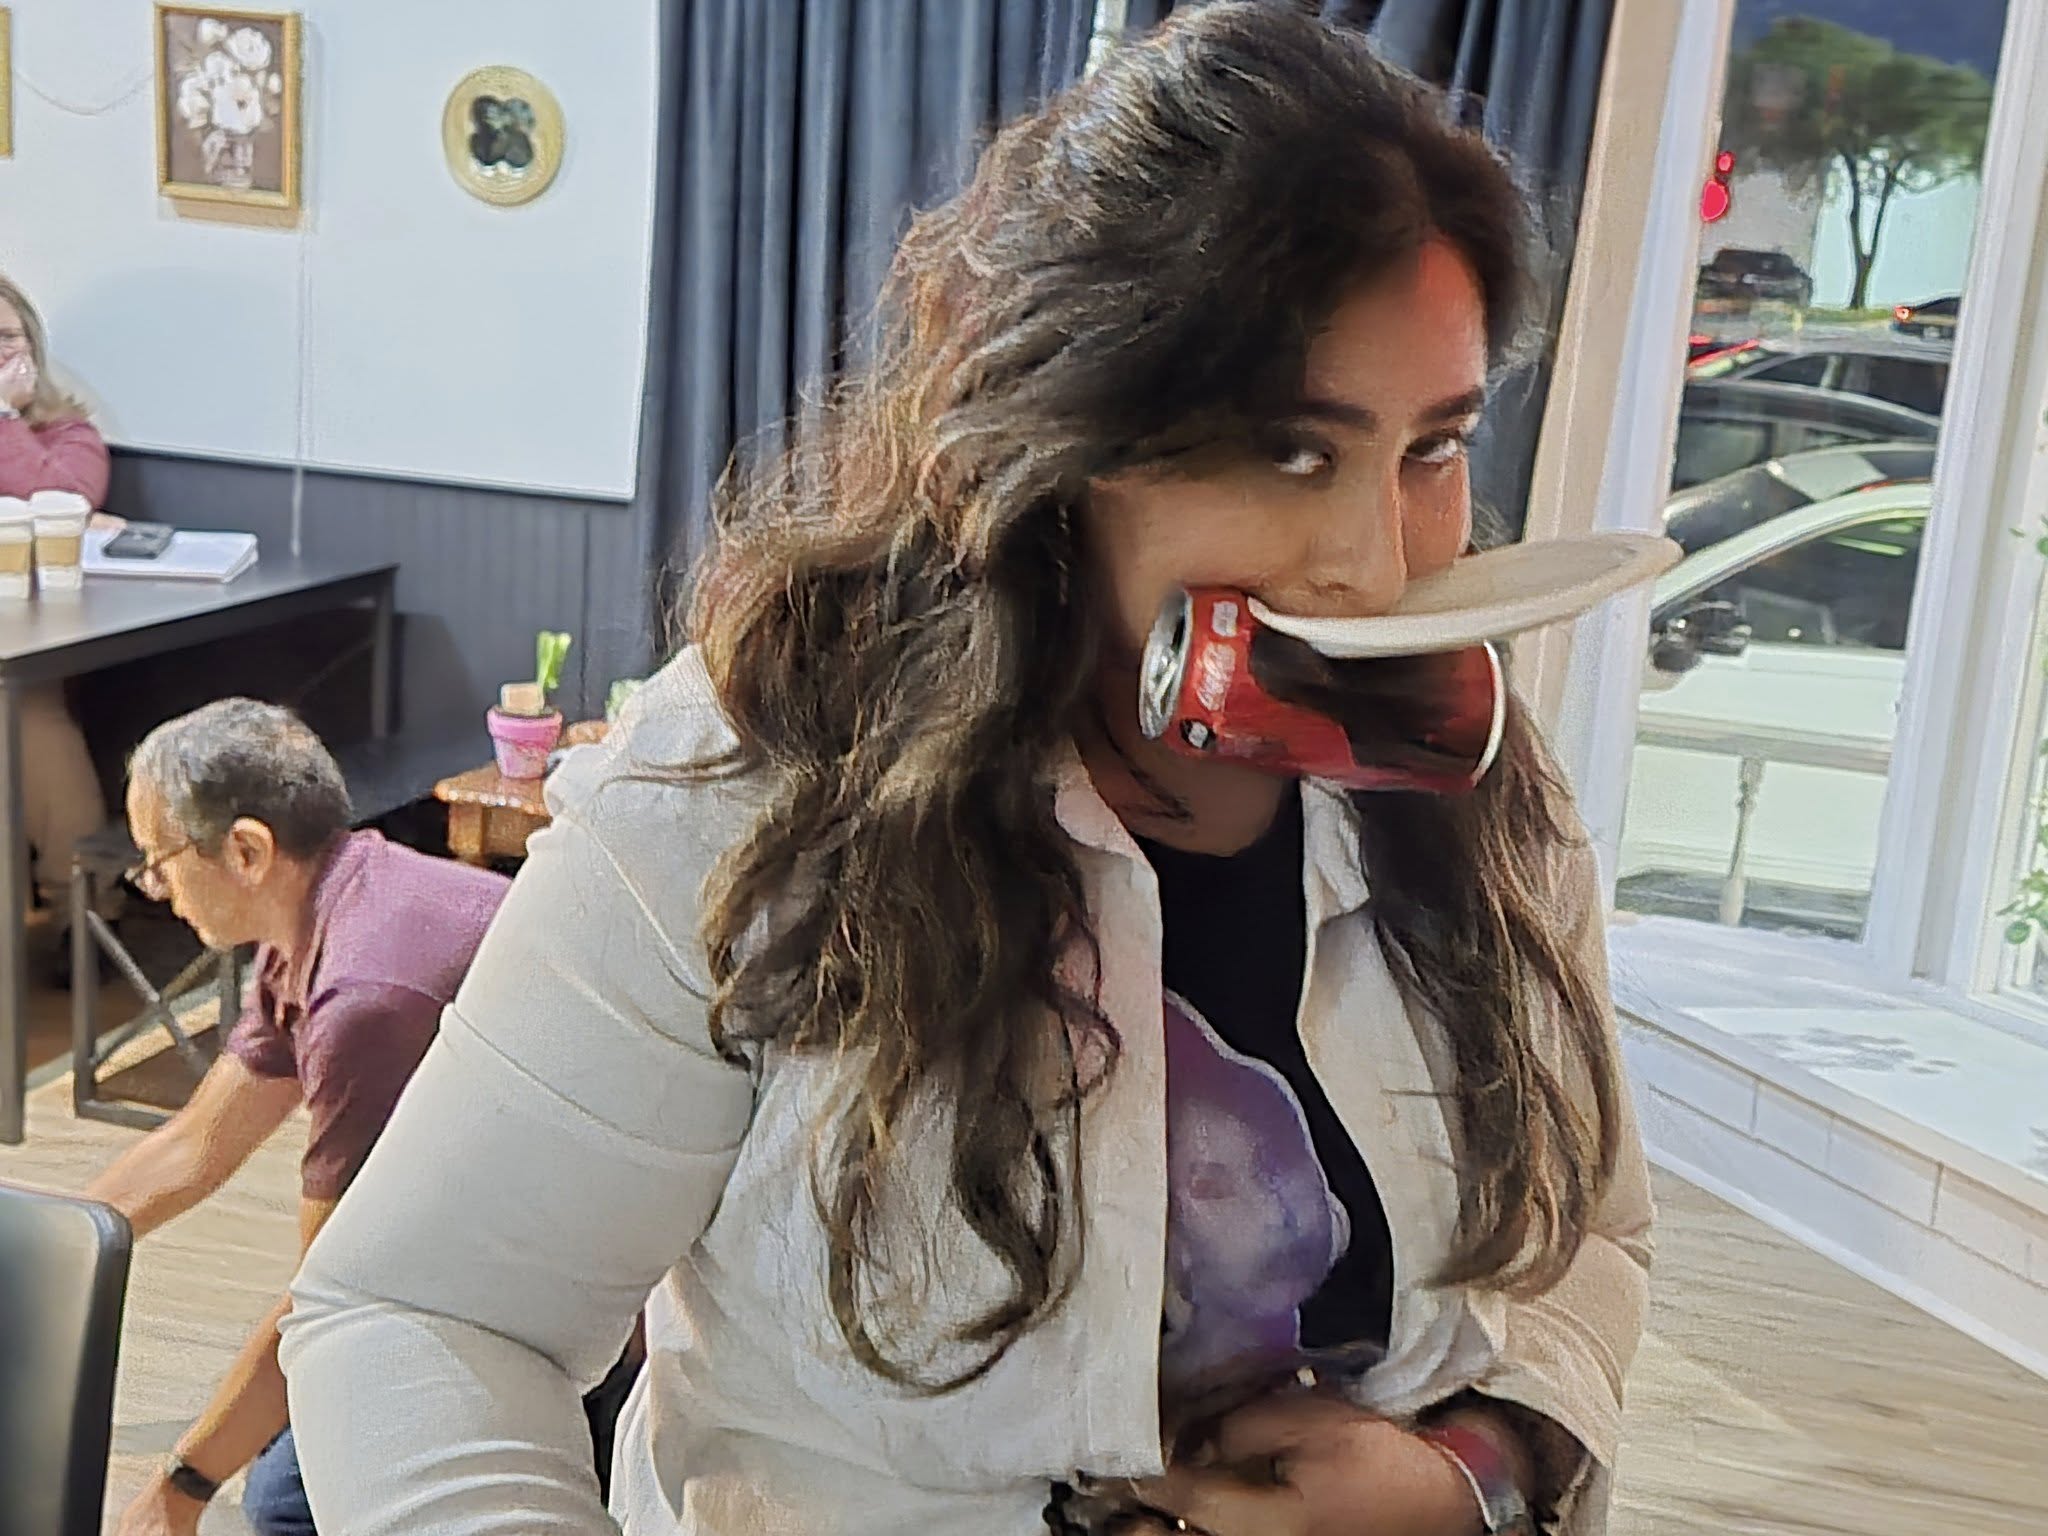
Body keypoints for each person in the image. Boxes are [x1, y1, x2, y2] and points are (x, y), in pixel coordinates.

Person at [281, 9, 1653, 1536]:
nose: (1377, 567)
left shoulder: (1473, 775)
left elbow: (1587, 1234)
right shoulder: (745, 787)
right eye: (1290, 450)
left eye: (1433, 447)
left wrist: (1477, 1474)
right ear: (1070, 428)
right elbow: (429, 1319)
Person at [85, 699, 511, 1536]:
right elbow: (195, 1147)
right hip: (463, 1251)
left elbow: (330, 1294)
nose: (157, 890)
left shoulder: (364, 996)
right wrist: (38, 1250)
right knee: (285, 1478)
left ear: (246, 851)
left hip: (563, 1296)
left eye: (159, 863)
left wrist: (179, 1487)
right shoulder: (327, 908)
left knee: (285, 1505)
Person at [1, 273, 115, 948]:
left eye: (5, 338)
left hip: (32, 632)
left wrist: (4, 419)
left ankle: (86, 911)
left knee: (29, 710)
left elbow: (66, 498)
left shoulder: (67, 433)